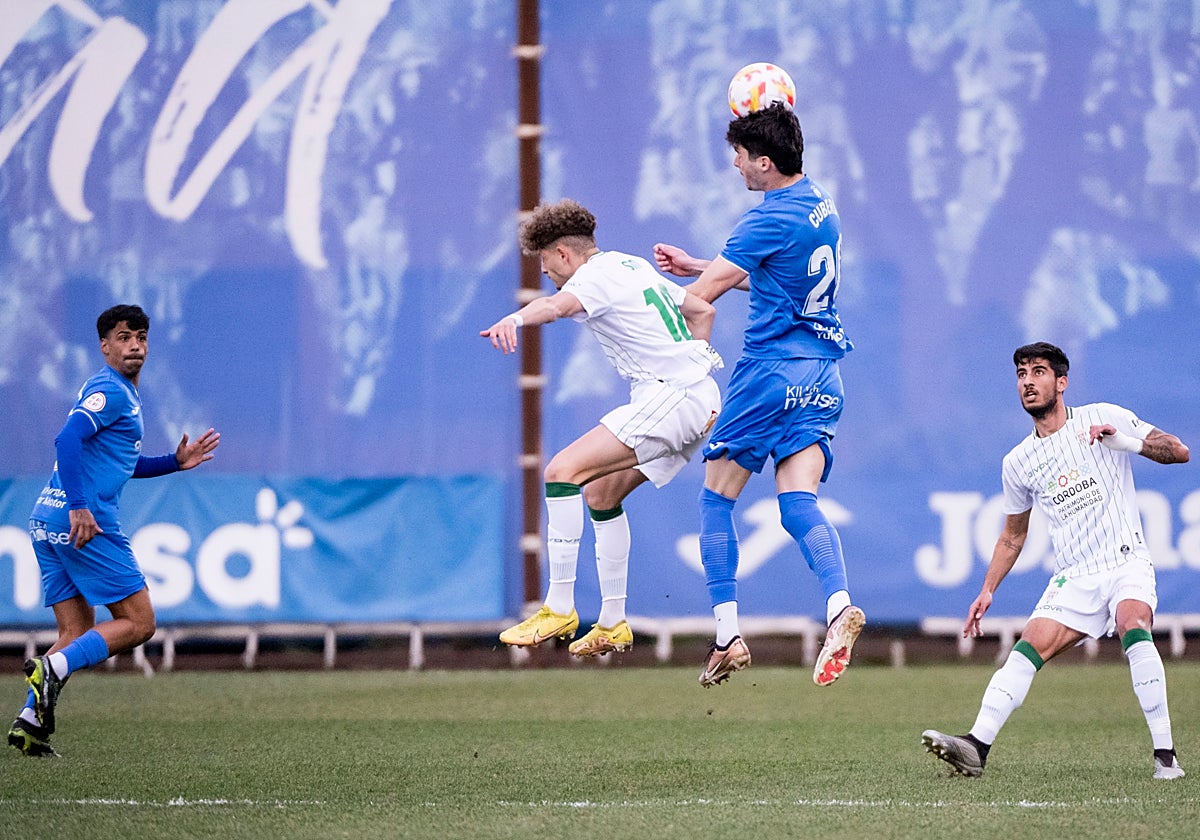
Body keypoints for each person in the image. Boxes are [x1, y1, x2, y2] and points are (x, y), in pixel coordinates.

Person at [653, 101, 865, 688]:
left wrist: (655, 318)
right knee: (797, 502)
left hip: (769, 373)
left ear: (765, 162)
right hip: (823, 373)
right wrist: (707, 262)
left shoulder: (762, 220)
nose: (737, 167)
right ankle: (839, 605)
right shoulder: (820, 201)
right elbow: (777, 274)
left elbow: (700, 298)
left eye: (741, 158)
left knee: (716, 498)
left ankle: (727, 637)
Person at [922, 341, 1189, 780]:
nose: (1028, 381)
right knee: (1026, 649)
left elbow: (1178, 451)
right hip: (1074, 577)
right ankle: (975, 747)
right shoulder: (1018, 462)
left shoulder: (1103, 416)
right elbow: (1012, 536)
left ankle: (1166, 758)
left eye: (1039, 371)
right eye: (1021, 374)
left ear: (1061, 382)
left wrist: (1127, 442)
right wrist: (987, 589)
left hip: (1125, 562)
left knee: (1132, 623)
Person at [482, 198, 723, 658]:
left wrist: (514, 317)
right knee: (600, 495)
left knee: (561, 471)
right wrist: (693, 369)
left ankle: (558, 607)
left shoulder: (591, 277)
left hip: (673, 394)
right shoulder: (629, 264)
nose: (546, 272)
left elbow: (554, 306)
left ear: (563, 254)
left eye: (545, 262)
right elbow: (703, 312)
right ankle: (612, 621)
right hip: (695, 397)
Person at [9, 304, 220, 758]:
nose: (135, 346)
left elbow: (117, 461)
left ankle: (30, 723)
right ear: (105, 345)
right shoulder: (113, 391)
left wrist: (173, 463)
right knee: (140, 622)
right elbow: (66, 440)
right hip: (81, 522)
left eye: (141, 337)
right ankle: (51, 672)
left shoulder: (107, 389)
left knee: (74, 632)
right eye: (124, 337)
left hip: (45, 519)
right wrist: (81, 507)